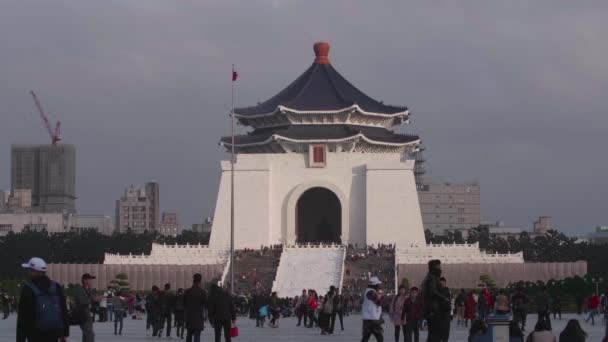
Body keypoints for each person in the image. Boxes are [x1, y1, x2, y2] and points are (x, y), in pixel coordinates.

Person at [17, 257, 69, 342]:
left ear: (34, 271)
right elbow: (63, 311)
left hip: (35, 334)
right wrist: (64, 334)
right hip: (54, 333)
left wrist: (20, 339)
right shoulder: (56, 287)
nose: (28, 272)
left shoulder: (28, 289)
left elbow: (22, 318)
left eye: (29, 270)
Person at [422, 259, 450, 342]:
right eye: (438, 267)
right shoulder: (432, 277)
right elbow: (433, 291)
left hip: (431, 309)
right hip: (433, 310)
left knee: (433, 334)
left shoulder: (429, 277)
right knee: (435, 335)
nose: (440, 269)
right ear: (434, 268)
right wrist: (443, 298)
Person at [74, 273, 100, 342]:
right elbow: (81, 301)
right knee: (90, 334)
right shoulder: (79, 290)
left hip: (89, 315)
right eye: (90, 279)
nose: (91, 281)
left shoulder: (89, 290)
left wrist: (98, 299)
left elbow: (92, 300)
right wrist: (93, 299)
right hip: (83, 315)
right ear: (84, 281)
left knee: (86, 335)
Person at [183, 273, 208, 342]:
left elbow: (184, 304)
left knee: (189, 334)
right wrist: (206, 315)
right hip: (198, 316)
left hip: (189, 316)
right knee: (197, 335)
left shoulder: (187, 291)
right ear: (200, 281)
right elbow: (206, 305)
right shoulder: (202, 292)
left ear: (193, 280)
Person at [361, 276, 384, 342]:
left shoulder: (369, 291)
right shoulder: (370, 292)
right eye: (378, 284)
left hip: (369, 318)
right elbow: (379, 302)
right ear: (374, 285)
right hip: (372, 319)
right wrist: (381, 297)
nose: (378, 285)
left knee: (365, 338)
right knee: (379, 338)